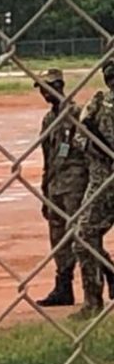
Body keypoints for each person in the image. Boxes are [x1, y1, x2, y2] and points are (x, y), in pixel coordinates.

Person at [34, 68, 88, 307]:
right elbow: (46, 156)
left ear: (59, 86)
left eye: (48, 87)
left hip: (76, 184)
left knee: (80, 236)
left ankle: (99, 277)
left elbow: (89, 151)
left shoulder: (77, 114)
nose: (44, 93)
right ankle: (63, 285)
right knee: (57, 237)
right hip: (55, 184)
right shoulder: (48, 119)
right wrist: (45, 189)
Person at [74, 60, 114, 318]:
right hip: (101, 179)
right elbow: (81, 138)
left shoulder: (100, 104)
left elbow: (82, 140)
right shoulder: (98, 103)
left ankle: (93, 301)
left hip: (103, 182)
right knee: (84, 235)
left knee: (84, 235)